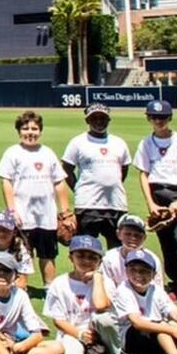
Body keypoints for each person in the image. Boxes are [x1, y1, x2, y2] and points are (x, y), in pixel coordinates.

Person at [133, 99, 177, 304]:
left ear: (169, 118)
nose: (158, 121)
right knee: (167, 243)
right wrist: (151, 204)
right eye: (154, 117)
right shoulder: (146, 142)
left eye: (162, 117)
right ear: (148, 118)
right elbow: (143, 174)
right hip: (157, 194)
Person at [0, 111, 70, 287]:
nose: (30, 132)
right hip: (23, 214)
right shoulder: (13, 153)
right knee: (22, 253)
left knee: (48, 254)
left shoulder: (48, 153)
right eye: (26, 128)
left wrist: (65, 211)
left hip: (47, 216)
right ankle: (21, 287)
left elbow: (59, 182)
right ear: (19, 131)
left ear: (40, 131)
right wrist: (12, 210)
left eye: (35, 129)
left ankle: (49, 288)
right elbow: (7, 182)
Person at [42, 235, 124, 354]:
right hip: (73, 332)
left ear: (100, 261)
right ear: (71, 258)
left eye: (92, 257)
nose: (86, 261)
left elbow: (100, 305)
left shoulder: (106, 282)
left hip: (101, 332)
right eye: (80, 255)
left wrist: (98, 278)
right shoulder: (59, 283)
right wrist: (80, 334)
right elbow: (58, 320)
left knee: (104, 319)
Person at [61, 104, 132, 247]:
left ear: (108, 120)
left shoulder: (119, 143)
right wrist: (78, 188)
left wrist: (112, 184)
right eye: (94, 118)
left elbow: (123, 169)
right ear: (87, 121)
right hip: (88, 204)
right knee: (86, 250)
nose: (99, 121)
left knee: (118, 251)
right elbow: (66, 169)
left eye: (102, 118)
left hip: (116, 204)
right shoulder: (78, 142)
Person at [101, 215, 164, 290]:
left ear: (144, 237)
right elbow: (107, 288)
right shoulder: (109, 257)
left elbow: (157, 288)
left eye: (137, 235)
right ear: (118, 234)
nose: (133, 238)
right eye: (128, 234)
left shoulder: (152, 259)